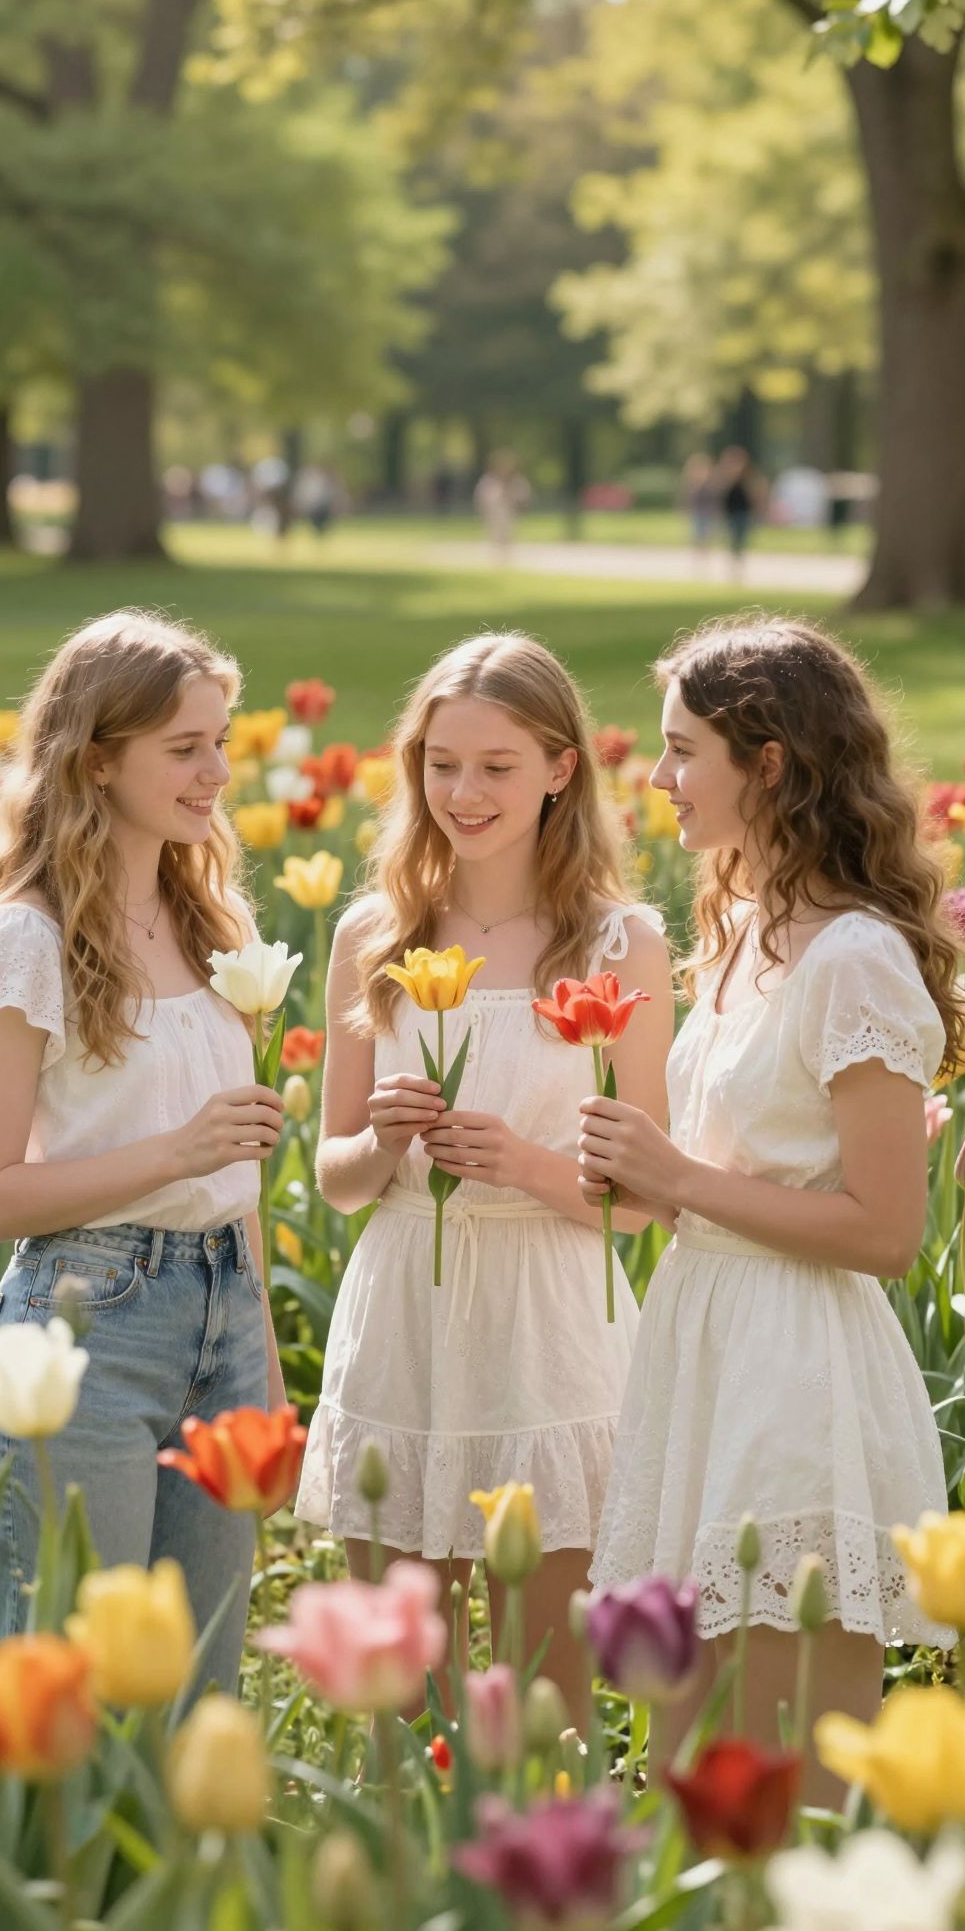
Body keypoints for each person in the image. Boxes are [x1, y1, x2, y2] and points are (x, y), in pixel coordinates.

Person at [579, 616, 965, 1802]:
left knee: (780, 1778)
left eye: (682, 749)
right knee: (688, 1768)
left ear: (772, 764)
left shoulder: (854, 956)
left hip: (795, 1364)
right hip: (706, 1340)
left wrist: (681, 1176)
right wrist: (644, 1173)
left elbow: (884, 1230)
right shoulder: (747, 928)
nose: (657, 779)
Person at [295, 633, 674, 1725]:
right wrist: (385, 1144)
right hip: (406, 1307)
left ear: (562, 767)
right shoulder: (375, 932)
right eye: (441, 761)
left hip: (551, 1322)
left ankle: (547, 1877)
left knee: (547, 1688)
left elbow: (646, 1196)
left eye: (497, 766)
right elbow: (334, 1176)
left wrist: (529, 1165)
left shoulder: (620, 945)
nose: (463, 792)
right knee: (399, 1685)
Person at [0, 610, 288, 1693]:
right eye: (185, 747)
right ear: (96, 758)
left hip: (221, 1319)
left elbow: (241, 1170)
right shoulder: (23, 940)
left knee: (197, 1680)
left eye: (221, 741)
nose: (216, 770)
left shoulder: (209, 918)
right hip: (90, 1325)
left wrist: (260, 1352)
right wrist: (176, 1150)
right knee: (68, 1692)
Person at [473, 451, 531, 557]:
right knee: (495, 534)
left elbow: (522, 497)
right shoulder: (489, 480)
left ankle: (504, 555)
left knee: (507, 534)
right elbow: (482, 497)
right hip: (494, 512)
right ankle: (497, 555)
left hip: (509, 511)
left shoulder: (516, 481)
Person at [717, 447, 765, 574]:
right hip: (731, 514)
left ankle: (738, 562)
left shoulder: (748, 478)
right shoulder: (725, 478)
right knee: (733, 539)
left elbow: (755, 496)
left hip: (743, 513)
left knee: (741, 539)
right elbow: (721, 496)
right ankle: (734, 562)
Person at [680, 453, 718, 555]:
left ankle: (704, 550)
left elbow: (714, 499)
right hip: (697, 512)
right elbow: (688, 499)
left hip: (708, 513)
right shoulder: (692, 484)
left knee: (706, 533)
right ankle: (699, 551)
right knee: (697, 533)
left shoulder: (710, 483)